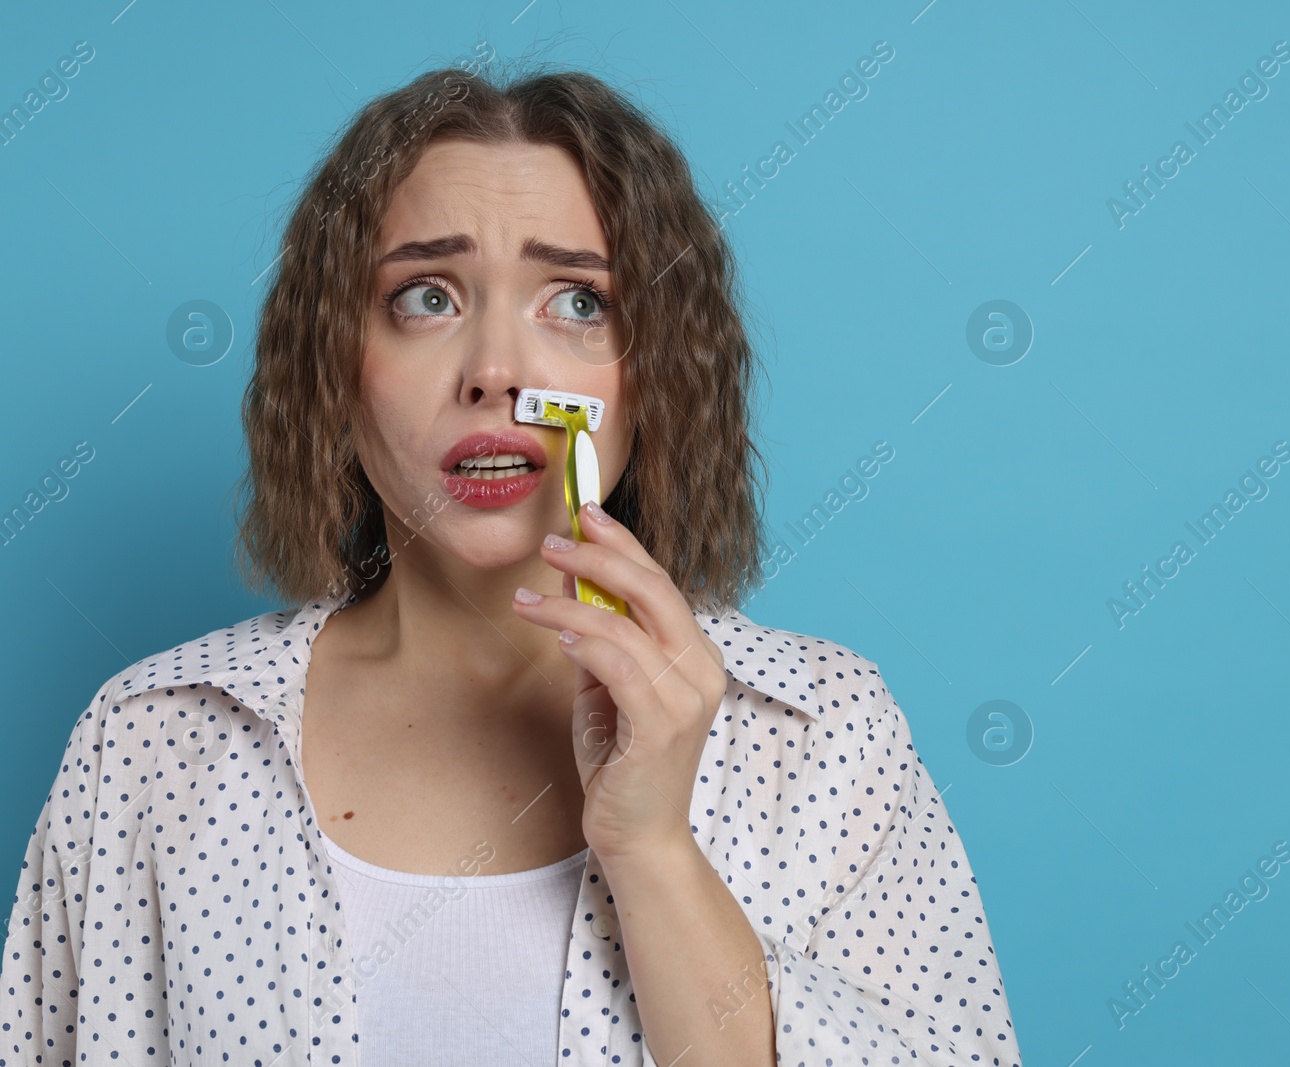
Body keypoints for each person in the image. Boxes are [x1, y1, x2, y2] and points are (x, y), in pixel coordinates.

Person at [1, 61, 1022, 1067]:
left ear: (655, 368)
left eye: (578, 302)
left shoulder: (822, 738)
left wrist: (656, 849)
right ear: (335, 363)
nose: (496, 372)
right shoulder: (149, 744)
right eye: (425, 296)